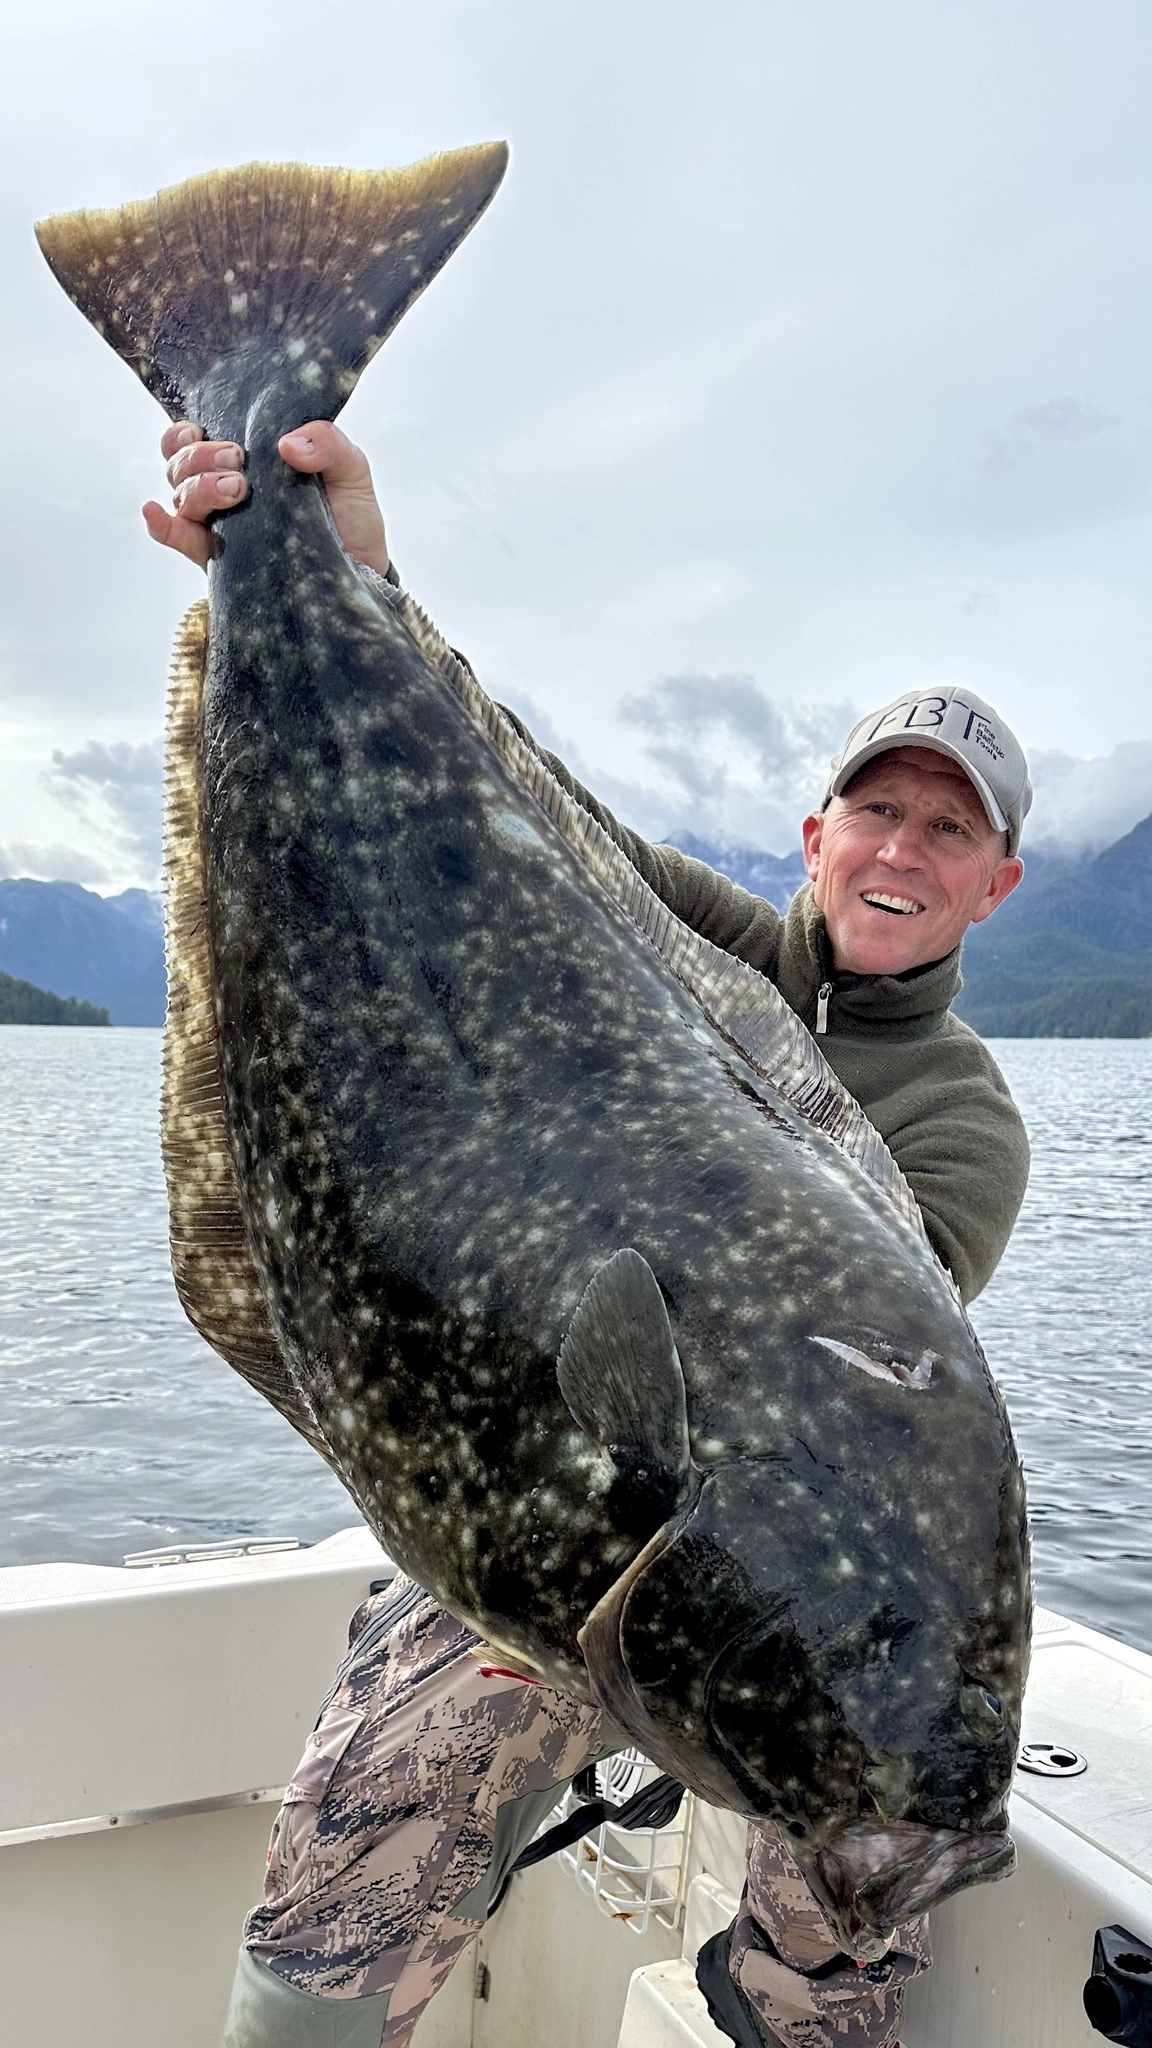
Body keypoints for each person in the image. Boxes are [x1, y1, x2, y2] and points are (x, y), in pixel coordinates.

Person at [147, 420, 1032, 2048]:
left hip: (781, 1585)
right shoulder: (692, 942)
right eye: (876, 812)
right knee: (360, 1838)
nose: (902, 851)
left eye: (949, 831)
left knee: (854, 1908)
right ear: (816, 831)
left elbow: (856, 1378)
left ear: (999, 882)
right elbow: (530, 809)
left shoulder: (970, 1116)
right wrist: (359, 585)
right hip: (549, 1524)